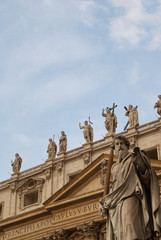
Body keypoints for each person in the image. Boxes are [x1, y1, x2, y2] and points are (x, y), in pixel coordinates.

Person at [99, 135, 161, 240]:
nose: (119, 146)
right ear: (114, 149)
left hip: (130, 196)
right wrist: (104, 202)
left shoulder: (134, 158)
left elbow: (147, 177)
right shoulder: (114, 167)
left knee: (129, 223)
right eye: (117, 144)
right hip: (116, 202)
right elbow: (112, 188)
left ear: (127, 146)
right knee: (119, 232)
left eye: (121, 143)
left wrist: (141, 165)